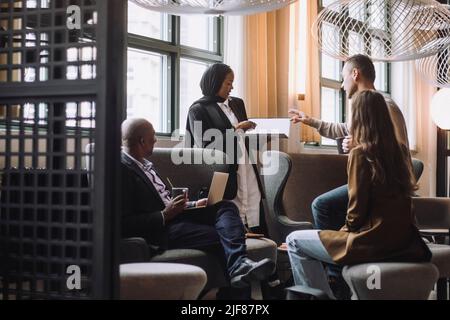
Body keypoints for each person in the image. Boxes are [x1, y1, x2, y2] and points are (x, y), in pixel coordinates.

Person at [286, 90, 431, 299]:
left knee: (293, 241)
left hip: (372, 243)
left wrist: (338, 235)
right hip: (403, 242)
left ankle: (324, 296)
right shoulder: (399, 150)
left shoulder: (360, 154)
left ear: (359, 117)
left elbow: (356, 212)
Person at [120, 118, 275, 298]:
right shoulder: (122, 169)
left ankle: (239, 266)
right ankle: (237, 284)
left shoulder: (145, 164)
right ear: (142, 141)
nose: (155, 140)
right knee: (227, 235)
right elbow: (123, 223)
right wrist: (164, 215)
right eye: (153, 136)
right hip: (161, 228)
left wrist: (192, 204)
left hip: (177, 215)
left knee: (224, 206)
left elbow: (164, 198)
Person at [185, 63, 265, 233]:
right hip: (223, 170)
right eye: (227, 83)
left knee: (253, 202)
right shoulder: (198, 109)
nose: (232, 87)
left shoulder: (237, 104)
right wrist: (237, 129)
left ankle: (258, 248)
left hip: (245, 163)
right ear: (215, 82)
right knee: (231, 207)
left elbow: (243, 138)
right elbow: (205, 146)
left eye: (232, 83)